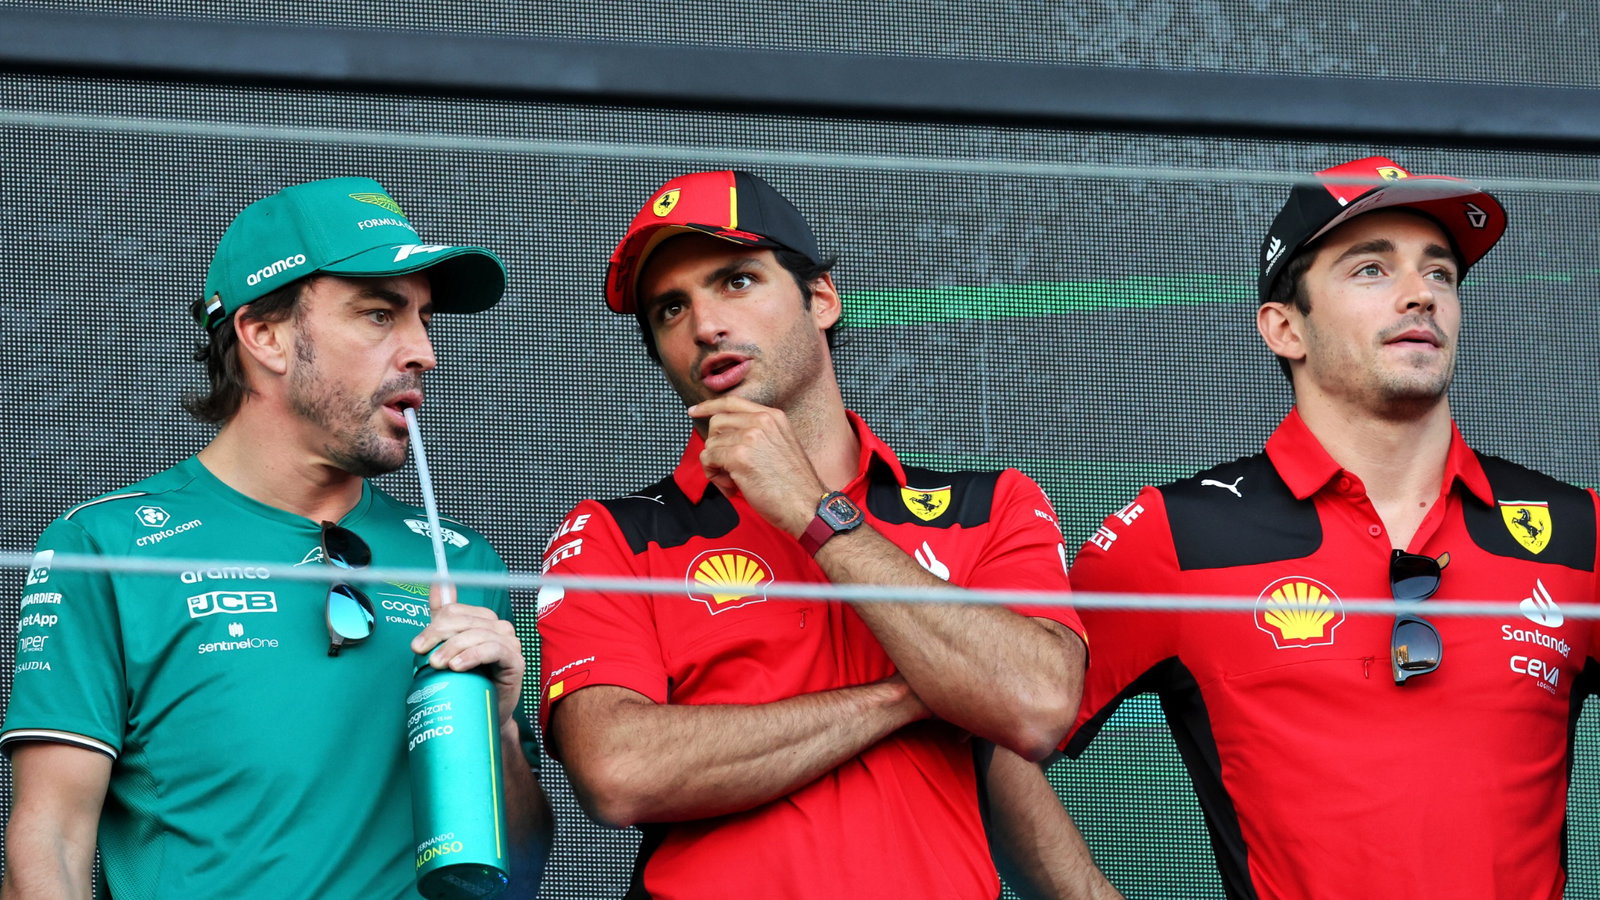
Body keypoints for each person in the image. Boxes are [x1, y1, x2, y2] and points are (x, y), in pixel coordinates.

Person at [536, 169, 1091, 898]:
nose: (705, 326)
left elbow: (1036, 702)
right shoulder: (615, 535)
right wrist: (919, 691)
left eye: (736, 281)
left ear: (822, 298)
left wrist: (813, 508)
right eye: (671, 308)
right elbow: (618, 772)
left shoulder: (989, 506)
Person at [1057, 156, 1597, 899]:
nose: (1420, 296)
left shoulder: (1579, 531)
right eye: (1371, 271)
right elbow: (998, 734)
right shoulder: (1175, 534)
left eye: (1439, 273)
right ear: (1285, 328)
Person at [1, 178, 550, 899]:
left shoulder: (461, 561)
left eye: (423, 318)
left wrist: (501, 732)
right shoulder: (106, 544)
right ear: (264, 335)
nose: (424, 352)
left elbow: (518, 874)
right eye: (380, 314)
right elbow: (49, 844)